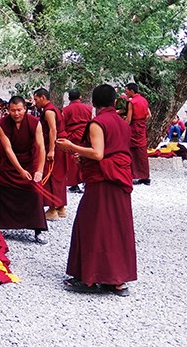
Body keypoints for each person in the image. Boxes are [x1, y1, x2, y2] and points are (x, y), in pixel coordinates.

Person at [56, 84, 136, 296]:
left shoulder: (97, 123)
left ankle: (89, 279)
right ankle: (116, 281)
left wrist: (72, 147)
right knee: (117, 228)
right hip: (119, 179)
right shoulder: (122, 123)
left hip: (103, 180)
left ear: (94, 103)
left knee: (91, 226)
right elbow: (112, 150)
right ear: (113, 102)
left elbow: (99, 154)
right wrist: (83, 155)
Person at [0, 96, 48, 244]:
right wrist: (19, 170)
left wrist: (39, 170)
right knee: (1, 192)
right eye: (13, 110)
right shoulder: (2, 124)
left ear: (25, 109)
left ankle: (38, 230)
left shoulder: (34, 122)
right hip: (8, 164)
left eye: (19, 110)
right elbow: (7, 149)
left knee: (34, 193)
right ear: (8, 110)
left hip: (29, 162)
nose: (16, 113)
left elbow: (41, 147)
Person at [33, 88, 68, 220]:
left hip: (54, 145)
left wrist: (51, 150)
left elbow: (53, 130)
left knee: (50, 175)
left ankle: (52, 209)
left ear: (43, 97)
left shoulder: (48, 111)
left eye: (36, 99)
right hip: (59, 144)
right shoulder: (52, 109)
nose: (35, 102)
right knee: (59, 176)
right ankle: (61, 207)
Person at [62, 89, 93, 193]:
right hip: (85, 135)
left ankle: (74, 184)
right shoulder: (88, 108)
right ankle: (86, 181)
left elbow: (64, 124)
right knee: (86, 157)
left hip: (72, 137)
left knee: (73, 160)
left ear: (69, 98)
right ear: (80, 97)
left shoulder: (66, 110)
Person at [125, 83, 151, 185]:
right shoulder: (144, 100)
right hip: (141, 128)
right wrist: (141, 121)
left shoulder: (132, 102)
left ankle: (131, 175)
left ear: (132, 91)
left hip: (134, 128)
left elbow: (128, 119)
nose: (125, 92)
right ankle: (145, 177)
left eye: (126, 90)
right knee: (142, 153)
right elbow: (149, 115)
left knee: (131, 151)